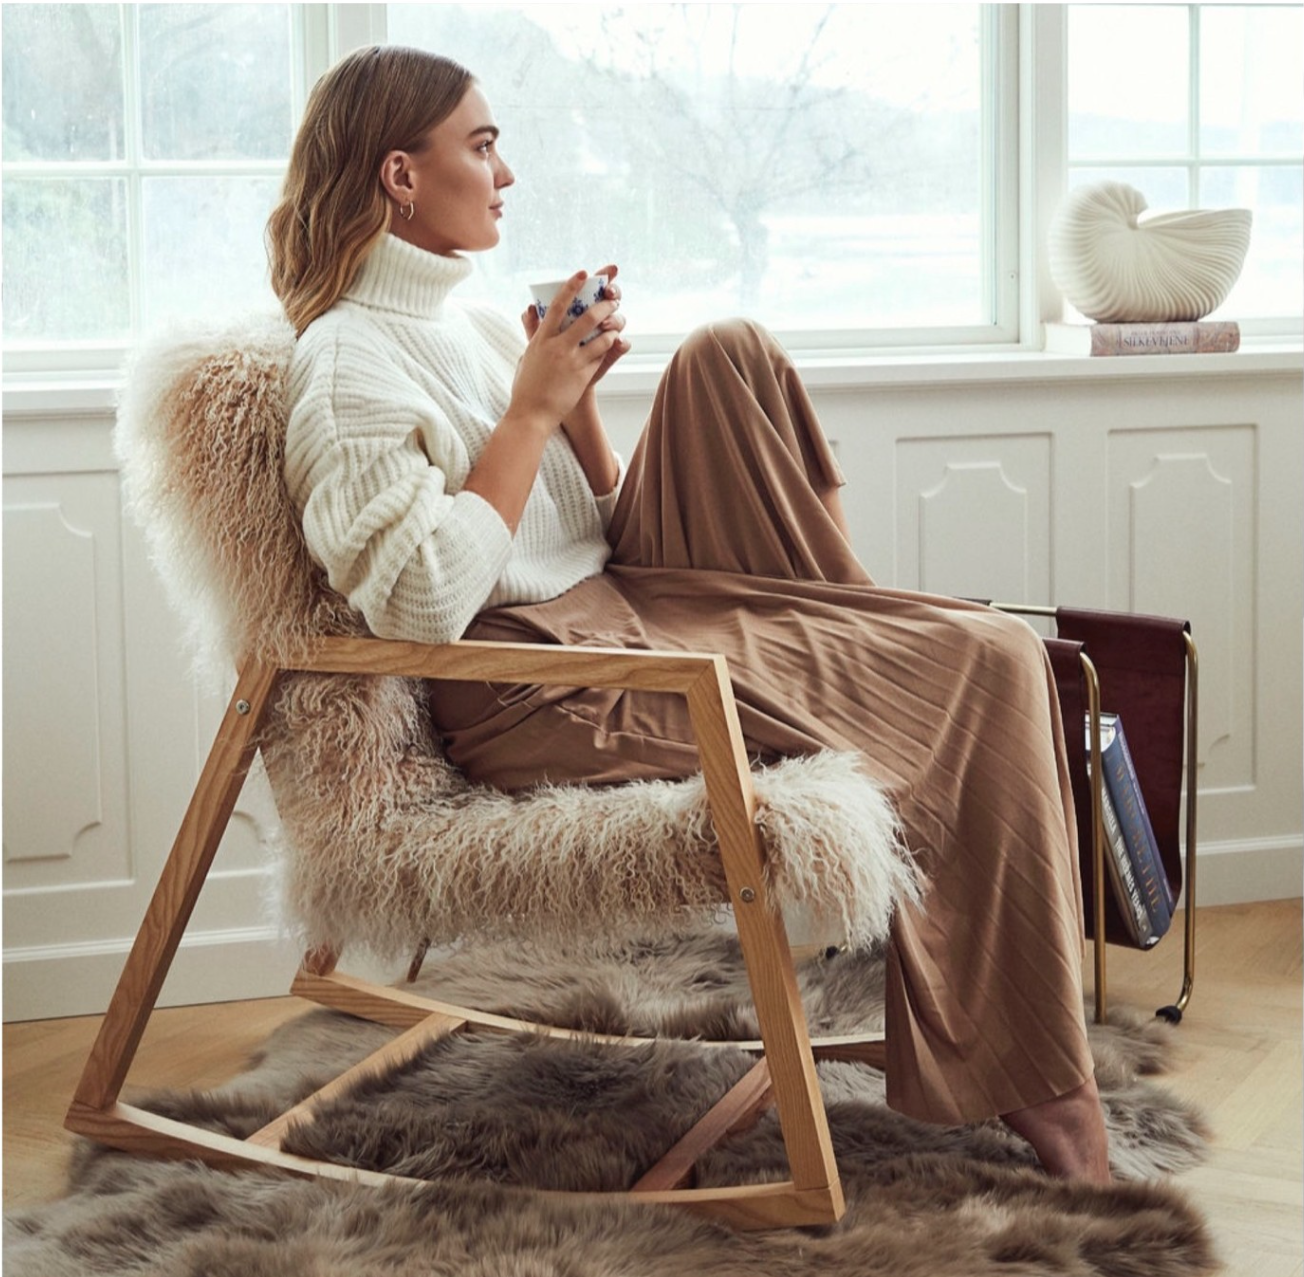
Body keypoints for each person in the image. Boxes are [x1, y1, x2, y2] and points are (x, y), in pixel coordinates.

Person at [267, 45, 1111, 1184]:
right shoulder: (342, 364)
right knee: (980, 663)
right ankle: (1047, 1089)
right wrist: (528, 412)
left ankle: (865, 674)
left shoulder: (462, 331)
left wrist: (575, 417)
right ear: (399, 176)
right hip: (541, 687)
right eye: (480, 144)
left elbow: (588, 529)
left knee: (739, 367)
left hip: (620, 609)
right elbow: (417, 601)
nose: (505, 172)